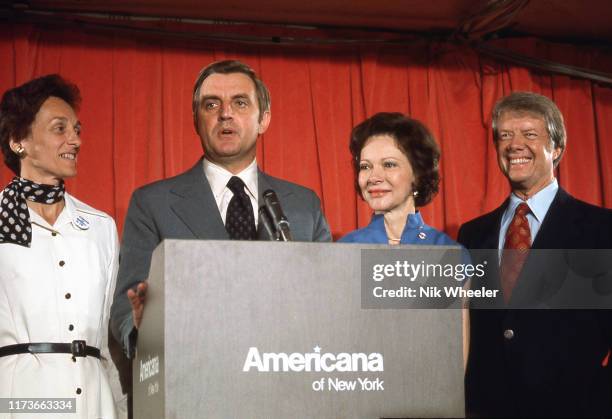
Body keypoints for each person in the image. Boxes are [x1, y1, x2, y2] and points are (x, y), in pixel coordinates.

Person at [110, 60, 332, 357]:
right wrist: (142, 326)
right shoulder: (153, 204)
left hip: (286, 375)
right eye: (211, 105)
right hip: (194, 378)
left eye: (240, 103)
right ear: (195, 121)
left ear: (263, 120)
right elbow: (127, 310)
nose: (225, 114)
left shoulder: (304, 206)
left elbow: (328, 304)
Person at [458, 92, 612, 417]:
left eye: (529, 134)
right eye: (505, 135)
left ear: (556, 149)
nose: (515, 144)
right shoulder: (472, 235)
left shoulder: (602, 228)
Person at [0, 75, 120, 418]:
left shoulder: (101, 227)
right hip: (21, 401)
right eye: (59, 128)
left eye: (77, 129)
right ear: (19, 141)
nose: (75, 140)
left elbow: (109, 337)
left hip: (95, 400)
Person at [339, 112, 457, 246]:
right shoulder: (343, 250)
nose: (373, 177)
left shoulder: (448, 252)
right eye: (365, 166)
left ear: (418, 174)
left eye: (389, 164)